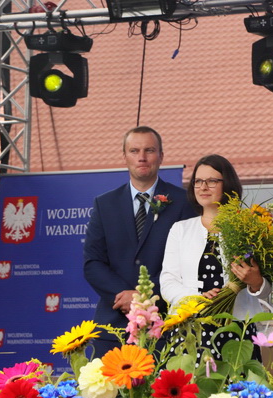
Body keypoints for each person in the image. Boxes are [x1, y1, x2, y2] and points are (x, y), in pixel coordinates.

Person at [83, 126, 195, 357]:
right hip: (113, 327)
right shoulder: (104, 204)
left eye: (149, 150)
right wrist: (122, 296)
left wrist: (143, 297)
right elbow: (93, 263)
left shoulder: (184, 202)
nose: (141, 157)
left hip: (164, 325)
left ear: (161, 156)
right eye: (134, 151)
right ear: (124, 156)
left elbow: (188, 264)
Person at [160, 154, 271, 364]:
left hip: (236, 329)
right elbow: (167, 281)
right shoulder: (180, 229)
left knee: (236, 384)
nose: (203, 187)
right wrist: (196, 298)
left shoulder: (247, 229)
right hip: (190, 327)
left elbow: (265, 290)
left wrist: (256, 281)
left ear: (227, 184)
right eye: (198, 181)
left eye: (212, 181)